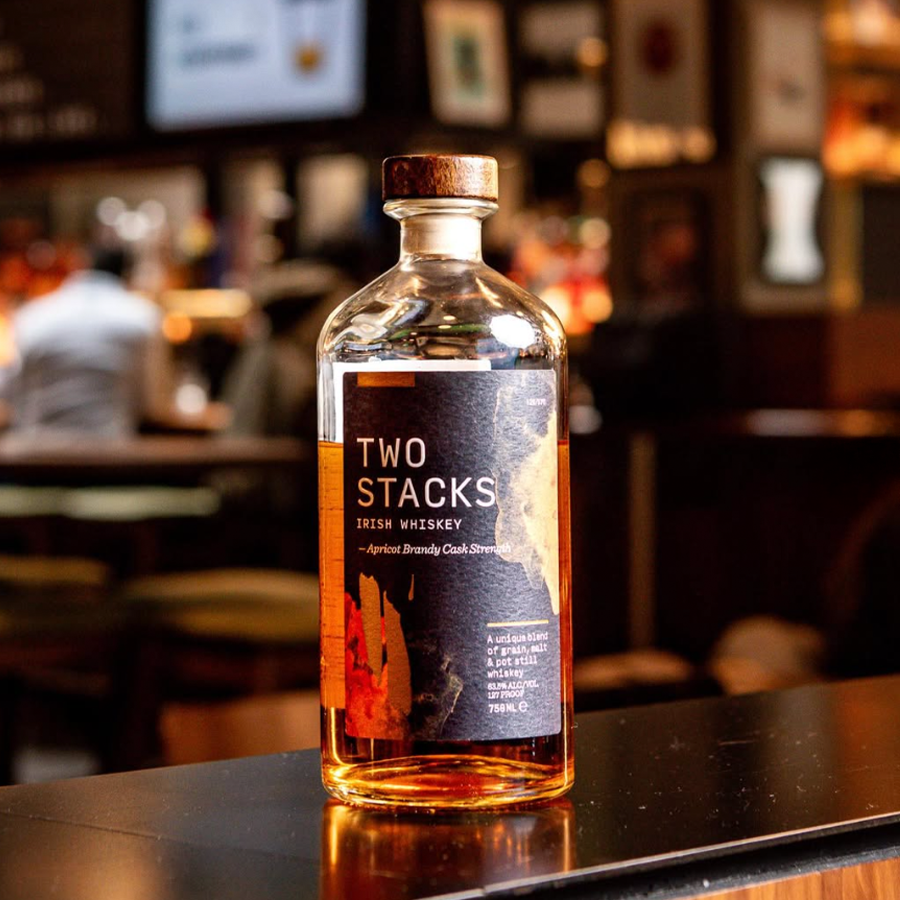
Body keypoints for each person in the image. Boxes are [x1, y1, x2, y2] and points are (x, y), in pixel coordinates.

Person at [0, 246, 170, 437]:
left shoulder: (32, 315)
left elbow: (9, 391)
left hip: (35, 448)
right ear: (128, 274)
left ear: (80, 268)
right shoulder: (144, 318)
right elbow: (153, 402)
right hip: (111, 449)